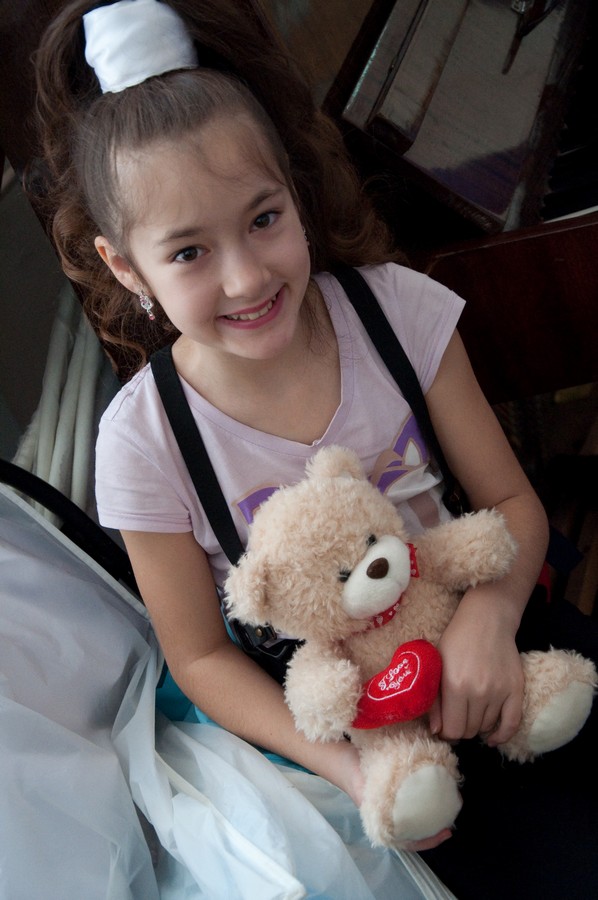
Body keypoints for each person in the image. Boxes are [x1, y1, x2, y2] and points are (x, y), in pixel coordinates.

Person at [33, 1, 597, 897]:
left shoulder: (397, 311)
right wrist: (349, 766)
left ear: (294, 192)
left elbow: (512, 506)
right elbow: (201, 658)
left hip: (492, 634)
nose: (246, 276)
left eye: (263, 219)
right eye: (189, 252)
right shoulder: (142, 443)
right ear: (126, 267)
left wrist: (490, 619)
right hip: (346, 726)